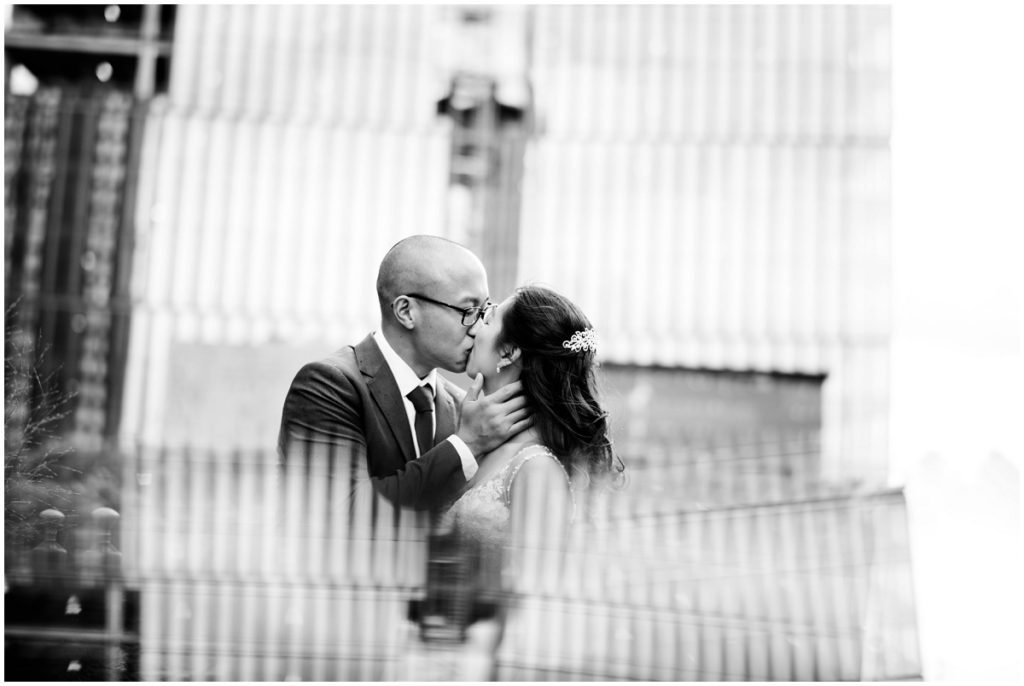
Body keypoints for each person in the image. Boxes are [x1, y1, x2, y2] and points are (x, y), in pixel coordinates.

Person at [414, 284, 623, 675]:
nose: (475, 326)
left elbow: (534, 602)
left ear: (509, 353)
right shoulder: (476, 440)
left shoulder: (535, 467)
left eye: (488, 318)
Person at [277, 235, 532, 511]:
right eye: (468, 310)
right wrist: (465, 445)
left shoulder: (463, 406)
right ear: (406, 311)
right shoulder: (327, 385)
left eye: (484, 311)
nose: (477, 327)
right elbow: (340, 511)